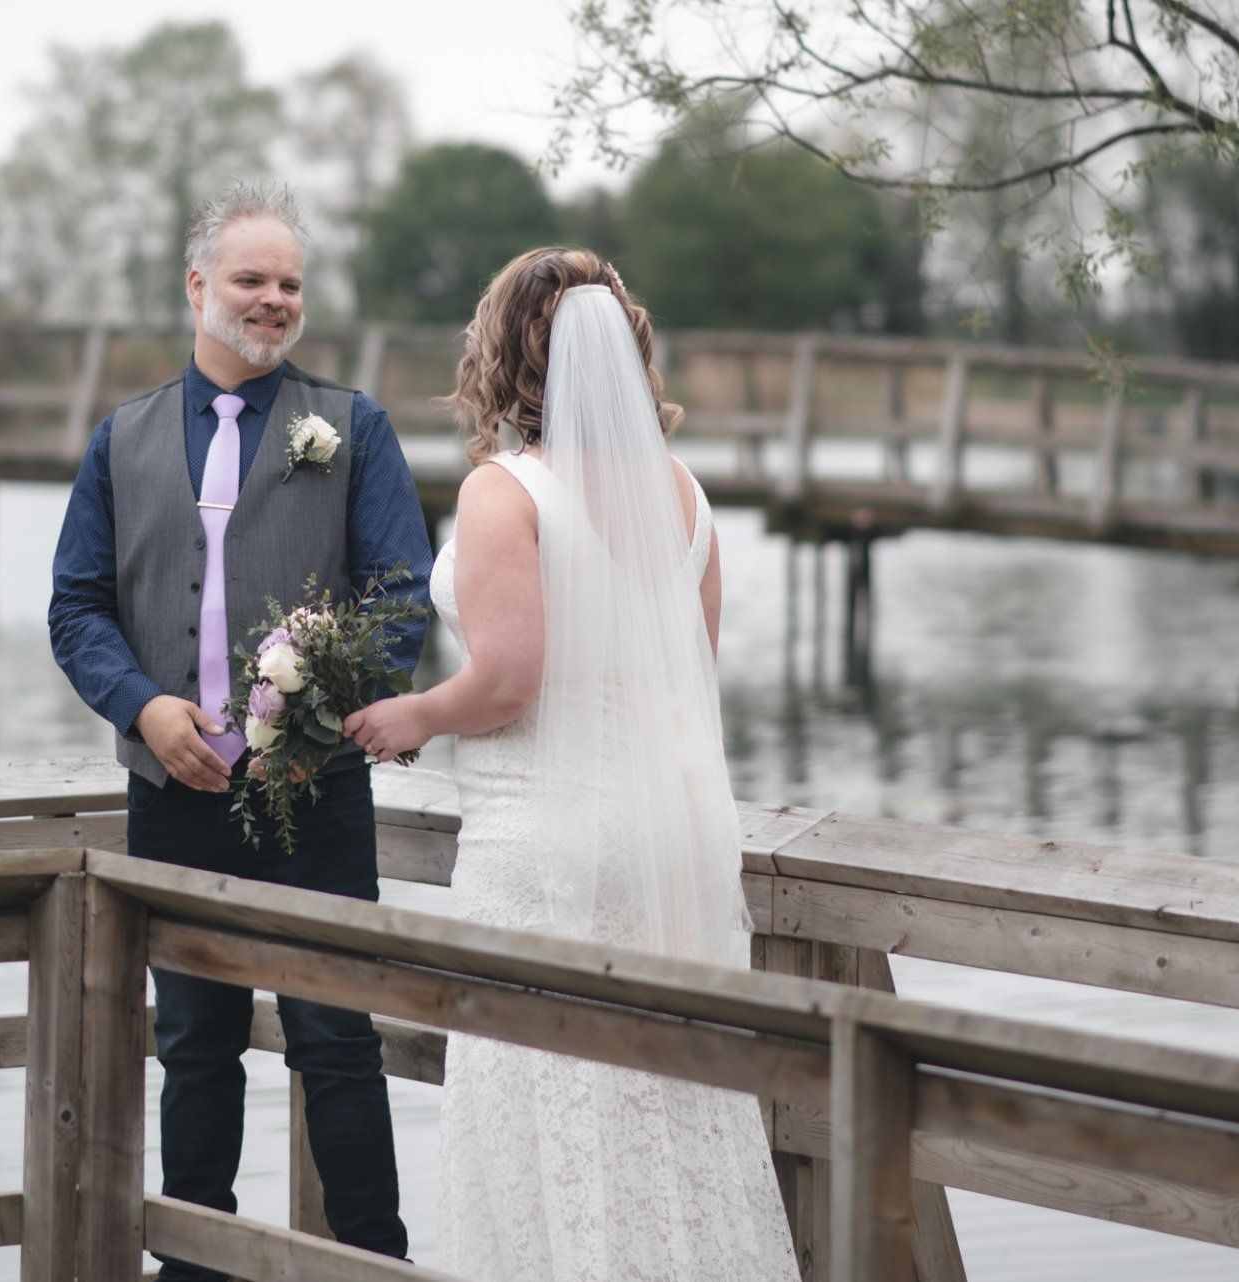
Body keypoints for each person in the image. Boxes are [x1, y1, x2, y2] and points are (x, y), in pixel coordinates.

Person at [343, 247, 799, 1280]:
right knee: (666, 1108)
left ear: (501, 355)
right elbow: (690, 678)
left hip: (544, 843)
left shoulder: (506, 492)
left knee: (542, 1105)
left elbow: (507, 681)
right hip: (662, 838)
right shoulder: (683, 495)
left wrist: (408, 712)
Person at [48, 180, 430, 1279]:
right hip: (171, 795)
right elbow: (76, 607)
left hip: (316, 797)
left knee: (337, 1045)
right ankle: (193, 1268)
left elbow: (402, 595)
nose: (273, 301)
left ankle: (373, 1265)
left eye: (291, 284)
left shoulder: (351, 427)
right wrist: (143, 705)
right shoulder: (121, 439)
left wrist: (319, 717)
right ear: (198, 286)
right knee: (194, 1052)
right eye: (252, 279)